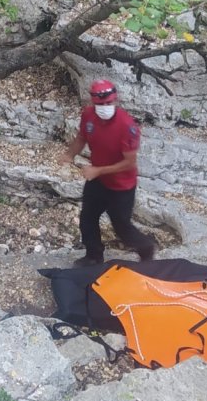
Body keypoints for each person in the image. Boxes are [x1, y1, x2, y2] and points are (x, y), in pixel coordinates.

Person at [57, 80, 156, 267]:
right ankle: (93, 256)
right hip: (98, 180)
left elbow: (129, 163)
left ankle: (146, 248)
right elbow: (81, 137)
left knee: (121, 226)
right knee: (87, 218)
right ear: (93, 102)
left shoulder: (127, 126)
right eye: (100, 104)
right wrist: (69, 154)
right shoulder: (88, 116)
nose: (104, 107)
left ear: (115, 101)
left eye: (108, 103)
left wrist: (98, 170)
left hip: (121, 186)